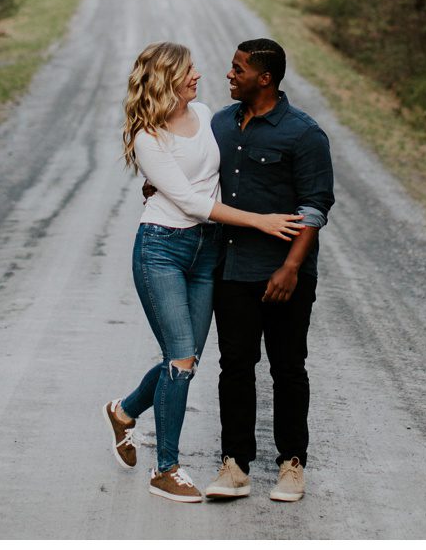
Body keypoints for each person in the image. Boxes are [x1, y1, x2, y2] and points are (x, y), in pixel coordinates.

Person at [103, 42, 303, 504]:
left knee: (186, 359)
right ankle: (165, 468)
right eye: (190, 70)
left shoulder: (210, 116)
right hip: (162, 250)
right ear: (168, 78)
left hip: (207, 252)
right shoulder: (148, 136)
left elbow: (223, 170)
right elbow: (192, 202)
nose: (200, 76)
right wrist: (260, 220)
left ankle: (124, 411)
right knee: (180, 358)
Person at [201, 38, 334, 505]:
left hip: (285, 275)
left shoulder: (304, 134)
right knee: (235, 366)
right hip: (231, 267)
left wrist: (292, 268)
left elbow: (315, 208)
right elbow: (198, 178)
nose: (229, 75)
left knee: (288, 367)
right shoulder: (220, 123)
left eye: (238, 69)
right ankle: (235, 465)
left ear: (265, 78)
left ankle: (292, 464)